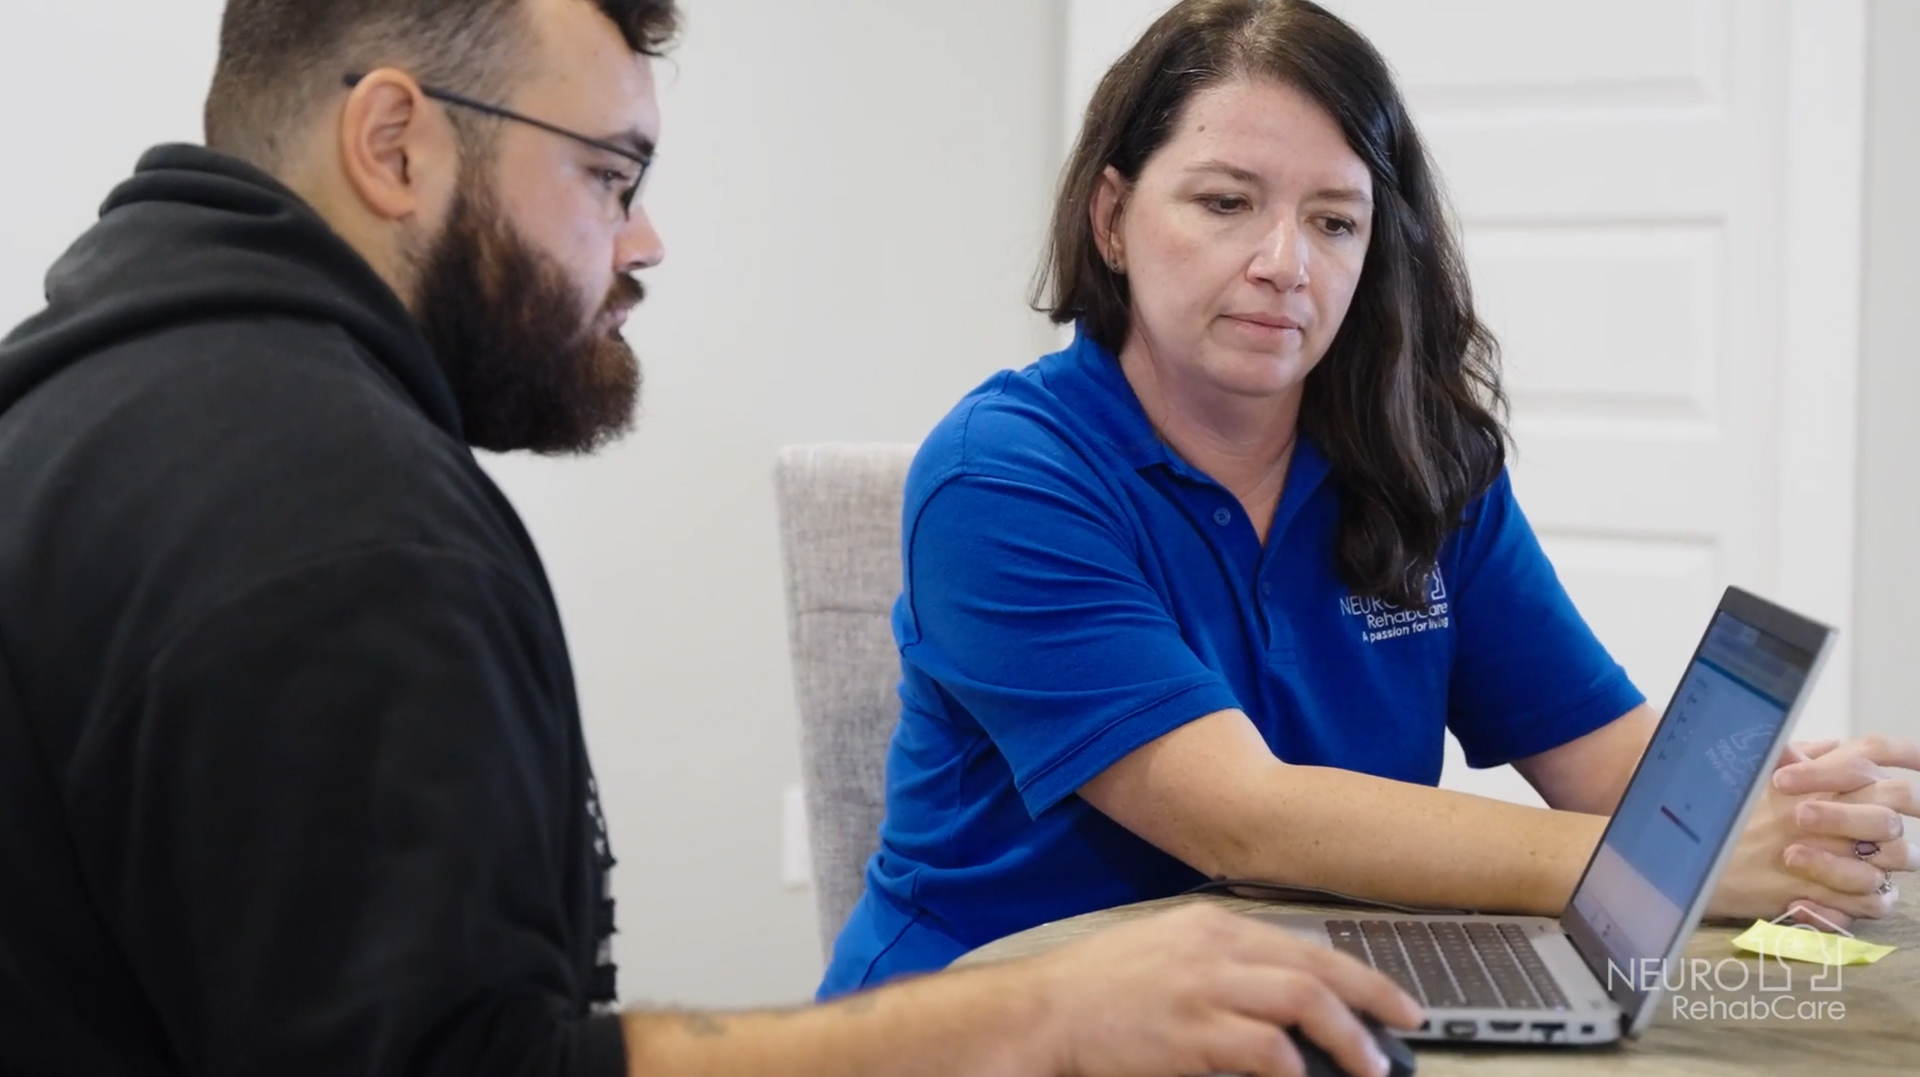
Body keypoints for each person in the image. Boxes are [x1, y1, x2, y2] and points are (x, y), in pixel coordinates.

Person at [0, 1, 1425, 1076]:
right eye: (610, 176)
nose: (643, 243)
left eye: (1334, 220)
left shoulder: (98, 397)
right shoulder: (337, 528)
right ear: (393, 144)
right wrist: (1041, 1011)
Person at [820, 0, 1920, 999]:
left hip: (1292, 1008)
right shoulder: (1001, 475)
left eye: (1337, 221)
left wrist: (1790, 815)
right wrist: (1671, 865)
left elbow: (1606, 764)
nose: (1284, 262)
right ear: (1112, 216)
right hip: (987, 1022)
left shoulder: (1422, 465)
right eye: (1224, 202)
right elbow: (1241, 820)